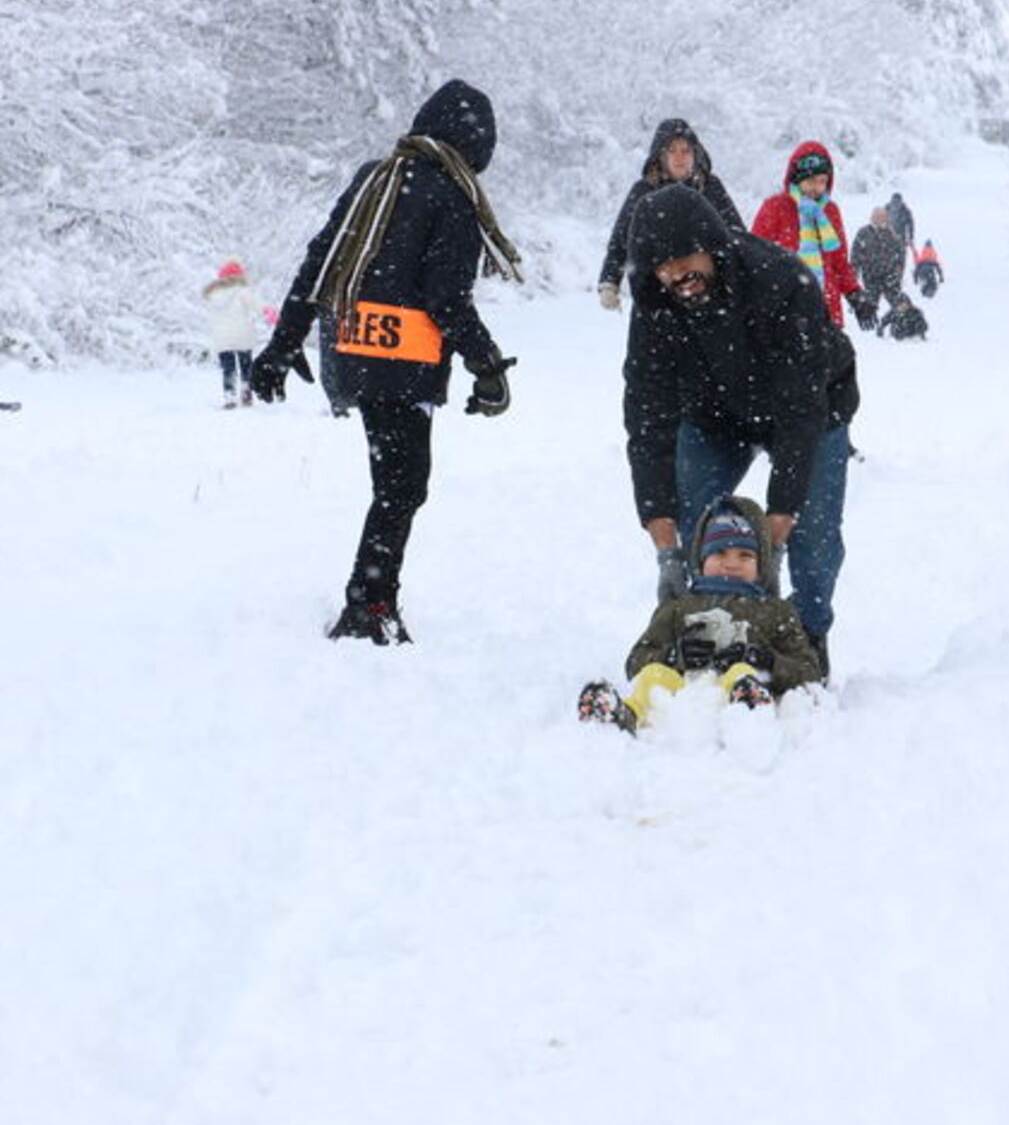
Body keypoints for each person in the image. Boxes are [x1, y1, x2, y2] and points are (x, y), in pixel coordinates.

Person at [251, 79, 521, 645]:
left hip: (352, 352)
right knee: (402, 488)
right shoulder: (451, 193)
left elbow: (321, 260)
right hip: (406, 362)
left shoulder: (375, 179)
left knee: (393, 484)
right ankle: (369, 604)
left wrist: (284, 344)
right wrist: (487, 364)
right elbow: (445, 298)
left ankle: (371, 598)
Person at [621, 183, 860, 680]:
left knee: (812, 535)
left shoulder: (780, 280)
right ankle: (700, 627)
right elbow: (648, 419)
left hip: (813, 408)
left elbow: (800, 413)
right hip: (715, 415)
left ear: (711, 244)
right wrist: (665, 546)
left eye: (686, 260)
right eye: (663, 268)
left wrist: (776, 528)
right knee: (694, 519)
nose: (677, 277)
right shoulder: (655, 302)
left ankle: (806, 635)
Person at [578, 496, 822, 732]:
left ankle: (749, 711)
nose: (731, 564)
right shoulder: (678, 607)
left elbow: (809, 669)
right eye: (720, 554)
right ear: (701, 559)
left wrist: (767, 660)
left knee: (741, 673)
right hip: (682, 694)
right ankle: (625, 715)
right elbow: (637, 660)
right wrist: (675, 656)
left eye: (745, 555)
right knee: (653, 675)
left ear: (761, 564)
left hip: (740, 689)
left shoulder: (775, 611)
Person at [597, 118, 744, 311]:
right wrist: (610, 281)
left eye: (685, 150)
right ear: (661, 156)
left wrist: (747, 276)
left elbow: (737, 234)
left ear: (696, 154)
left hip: (706, 290)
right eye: (671, 150)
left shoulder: (711, 187)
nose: (679, 157)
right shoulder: (643, 191)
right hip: (657, 293)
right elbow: (621, 239)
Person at [750, 141, 875, 331]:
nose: (816, 188)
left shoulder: (830, 212)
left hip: (827, 312)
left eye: (822, 181)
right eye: (810, 181)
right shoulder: (775, 207)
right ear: (796, 179)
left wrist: (854, 294)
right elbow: (754, 257)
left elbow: (839, 263)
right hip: (784, 311)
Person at [202, 260, 275, 408]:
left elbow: (210, 317)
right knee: (246, 367)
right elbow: (257, 304)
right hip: (242, 335)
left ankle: (230, 397)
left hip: (222, 338)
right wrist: (269, 312)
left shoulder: (214, 295)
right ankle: (246, 393)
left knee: (228, 369)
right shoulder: (242, 291)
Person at [849, 207, 906, 325]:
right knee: (870, 303)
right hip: (870, 275)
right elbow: (855, 255)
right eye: (877, 217)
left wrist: (898, 272)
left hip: (889, 275)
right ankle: (870, 326)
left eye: (882, 217)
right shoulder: (863, 232)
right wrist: (854, 274)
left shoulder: (891, 233)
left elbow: (900, 254)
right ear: (872, 217)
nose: (879, 219)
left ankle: (902, 325)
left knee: (899, 303)